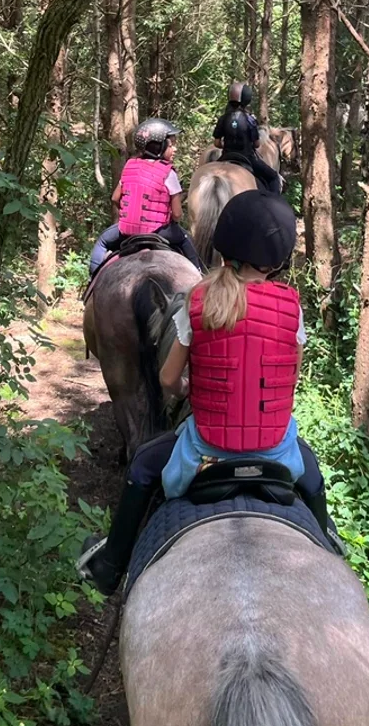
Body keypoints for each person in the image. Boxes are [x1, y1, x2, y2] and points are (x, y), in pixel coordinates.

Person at [77, 193, 333, 594]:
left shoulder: (198, 301)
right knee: (314, 477)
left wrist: (190, 388)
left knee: (143, 466)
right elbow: (290, 376)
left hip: (206, 447)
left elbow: (167, 381)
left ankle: (111, 565)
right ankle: (330, 544)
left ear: (226, 246)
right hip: (275, 447)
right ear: (279, 257)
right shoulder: (292, 308)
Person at [88, 120, 201, 276]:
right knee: (185, 239)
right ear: (159, 147)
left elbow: (115, 198)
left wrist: (129, 215)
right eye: (171, 145)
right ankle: (200, 276)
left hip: (127, 231)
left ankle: (93, 279)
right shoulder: (169, 173)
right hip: (160, 231)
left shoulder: (130, 166)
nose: (175, 149)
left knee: (102, 242)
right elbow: (177, 214)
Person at [212, 81, 282, 195]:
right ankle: (273, 204)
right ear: (246, 99)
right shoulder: (250, 119)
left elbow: (217, 143)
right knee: (274, 177)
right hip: (247, 157)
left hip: (226, 156)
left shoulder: (223, 118)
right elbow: (257, 144)